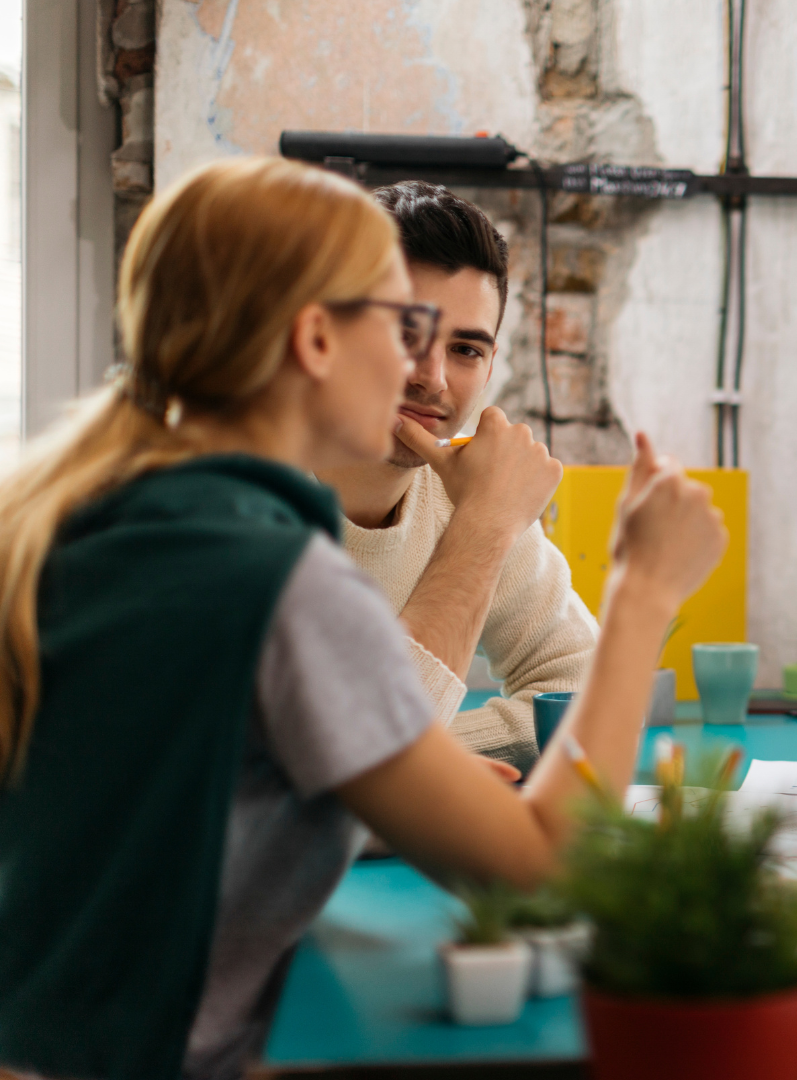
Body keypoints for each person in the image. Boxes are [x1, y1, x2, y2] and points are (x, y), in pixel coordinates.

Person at [0, 158, 726, 1080]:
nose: (421, 372)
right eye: (401, 325)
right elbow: (542, 867)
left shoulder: (100, 512)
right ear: (315, 339)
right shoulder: (278, 580)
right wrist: (645, 592)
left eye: (461, 344)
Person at [318, 181, 596, 774]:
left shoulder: (464, 493)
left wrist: (429, 766)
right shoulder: (232, 502)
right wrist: (487, 524)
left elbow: (586, 685)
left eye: (466, 349)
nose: (433, 379)